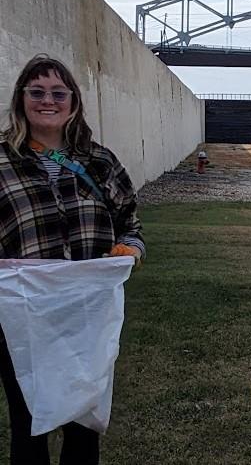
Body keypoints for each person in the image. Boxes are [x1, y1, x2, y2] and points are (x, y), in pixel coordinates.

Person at [0, 54, 145, 465]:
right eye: (37, 92)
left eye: (59, 93)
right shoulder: (1, 162)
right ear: (21, 98)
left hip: (87, 320)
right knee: (29, 423)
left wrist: (130, 251)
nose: (48, 100)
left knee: (83, 426)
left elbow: (130, 226)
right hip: (21, 322)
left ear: (74, 103)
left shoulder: (99, 162)